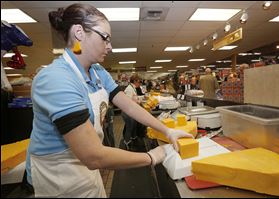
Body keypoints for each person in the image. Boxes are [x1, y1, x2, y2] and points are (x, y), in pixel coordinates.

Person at [25, 3, 193, 198]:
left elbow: (128, 104)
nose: (110, 46)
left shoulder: (97, 72)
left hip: (87, 171)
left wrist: (166, 130)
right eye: (105, 38)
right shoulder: (56, 79)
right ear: (79, 32)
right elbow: (92, 155)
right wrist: (151, 156)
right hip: (58, 176)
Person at [122, 74, 145, 149]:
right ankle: (126, 143)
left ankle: (133, 139)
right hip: (128, 112)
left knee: (133, 127)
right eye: (139, 81)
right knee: (129, 128)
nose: (140, 83)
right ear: (134, 81)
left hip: (132, 112)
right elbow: (127, 102)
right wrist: (137, 101)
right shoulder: (129, 89)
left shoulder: (132, 88)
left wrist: (141, 97)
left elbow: (134, 97)